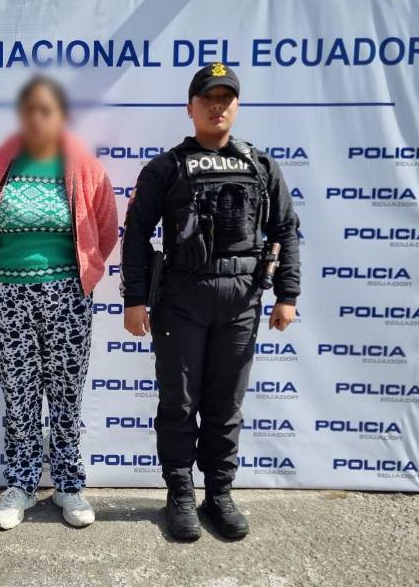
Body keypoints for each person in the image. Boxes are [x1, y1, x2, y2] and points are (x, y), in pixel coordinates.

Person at [120, 62, 300, 541]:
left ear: (236, 107)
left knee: (225, 403)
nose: (217, 107)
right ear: (190, 108)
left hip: (241, 301)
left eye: (225, 99)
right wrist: (134, 298)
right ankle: (180, 494)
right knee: (179, 403)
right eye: (208, 99)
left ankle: (219, 493)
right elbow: (136, 234)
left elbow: (285, 230)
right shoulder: (165, 167)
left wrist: (288, 294)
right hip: (182, 298)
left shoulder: (261, 166)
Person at [0, 76, 118, 530]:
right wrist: (6, 277)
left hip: (68, 293)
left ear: (62, 116)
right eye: (29, 109)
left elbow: (104, 230)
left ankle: (69, 485)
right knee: (20, 393)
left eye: (46, 110)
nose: (37, 118)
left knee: (66, 393)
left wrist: (77, 274)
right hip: (9, 294)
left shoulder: (85, 168)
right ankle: (22, 484)